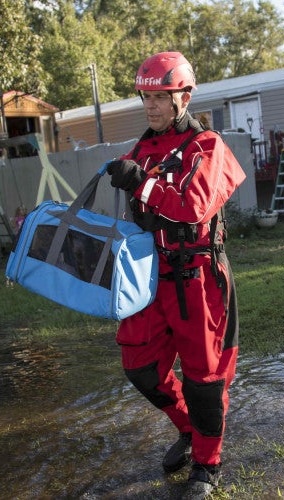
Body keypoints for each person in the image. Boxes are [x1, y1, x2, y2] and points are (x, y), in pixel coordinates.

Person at [106, 51, 246, 498]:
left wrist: (141, 183)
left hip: (199, 278)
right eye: (145, 98)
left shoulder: (209, 146)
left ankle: (208, 465)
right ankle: (189, 429)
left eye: (161, 98)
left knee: (205, 378)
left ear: (183, 96)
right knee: (140, 366)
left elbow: (191, 206)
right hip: (151, 279)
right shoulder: (140, 150)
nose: (151, 107)